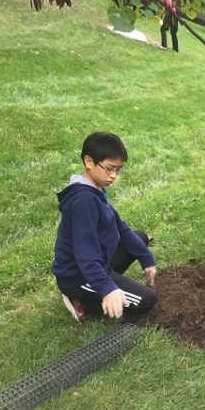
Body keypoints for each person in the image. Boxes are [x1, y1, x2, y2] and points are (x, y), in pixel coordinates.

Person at [52, 132, 157, 322]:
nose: (114, 176)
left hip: (97, 261)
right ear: (89, 161)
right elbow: (85, 255)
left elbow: (120, 227)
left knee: (138, 238)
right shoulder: (83, 202)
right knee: (146, 301)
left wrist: (146, 259)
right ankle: (82, 301)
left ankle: (104, 284)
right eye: (109, 168)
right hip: (78, 275)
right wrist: (108, 289)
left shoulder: (96, 190)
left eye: (118, 169)